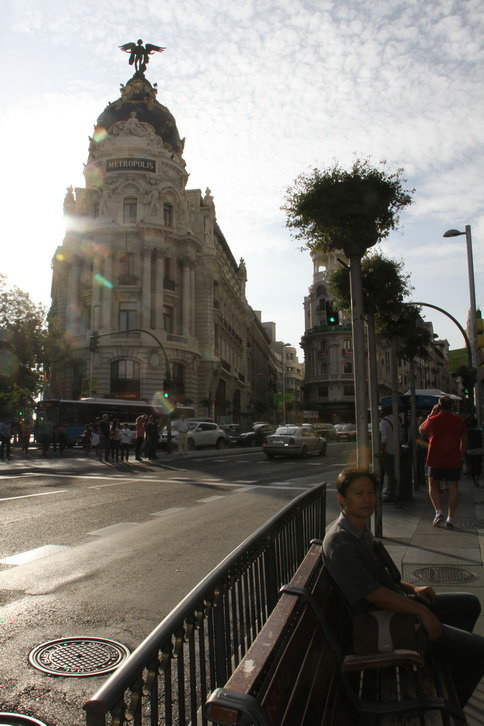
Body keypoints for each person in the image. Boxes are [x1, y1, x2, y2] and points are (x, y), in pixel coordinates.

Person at [323, 467, 484, 708]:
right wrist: (421, 611)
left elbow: (381, 579)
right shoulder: (341, 541)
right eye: (358, 493)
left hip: (394, 607)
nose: (367, 499)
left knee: (468, 604)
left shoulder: (358, 529)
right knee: (479, 651)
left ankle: (444, 658)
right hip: (381, 623)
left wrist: (412, 589)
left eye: (371, 492)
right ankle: (450, 709)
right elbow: (374, 594)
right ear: (341, 499)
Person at [419, 396, 467, 529]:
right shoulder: (459, 421)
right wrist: (460, 455)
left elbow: (421, 430)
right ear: (452, 406)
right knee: (453, 488)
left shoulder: (433, 420)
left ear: (439, 406)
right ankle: (450, 518)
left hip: (435, 459)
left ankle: (438, 511)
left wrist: (431, 414)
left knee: (433, 485)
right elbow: (464, 440)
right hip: (453, 459)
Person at [379, 406, 397, 502]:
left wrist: (382, 450)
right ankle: (391, 492)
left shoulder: (383, 422)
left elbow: (384, 438)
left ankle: (390, 494)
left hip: (387, 451)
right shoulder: (395, 420)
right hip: (394, 450)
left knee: (384, 473)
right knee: (391, 474)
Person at [466, 416, 483, 487]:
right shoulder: (480, 431)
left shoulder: (468, 432)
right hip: (479, 450)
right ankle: (477, 477)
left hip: (470, 450)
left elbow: (466, 440)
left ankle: (474, 479)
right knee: (478, 464)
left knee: (472, 464)